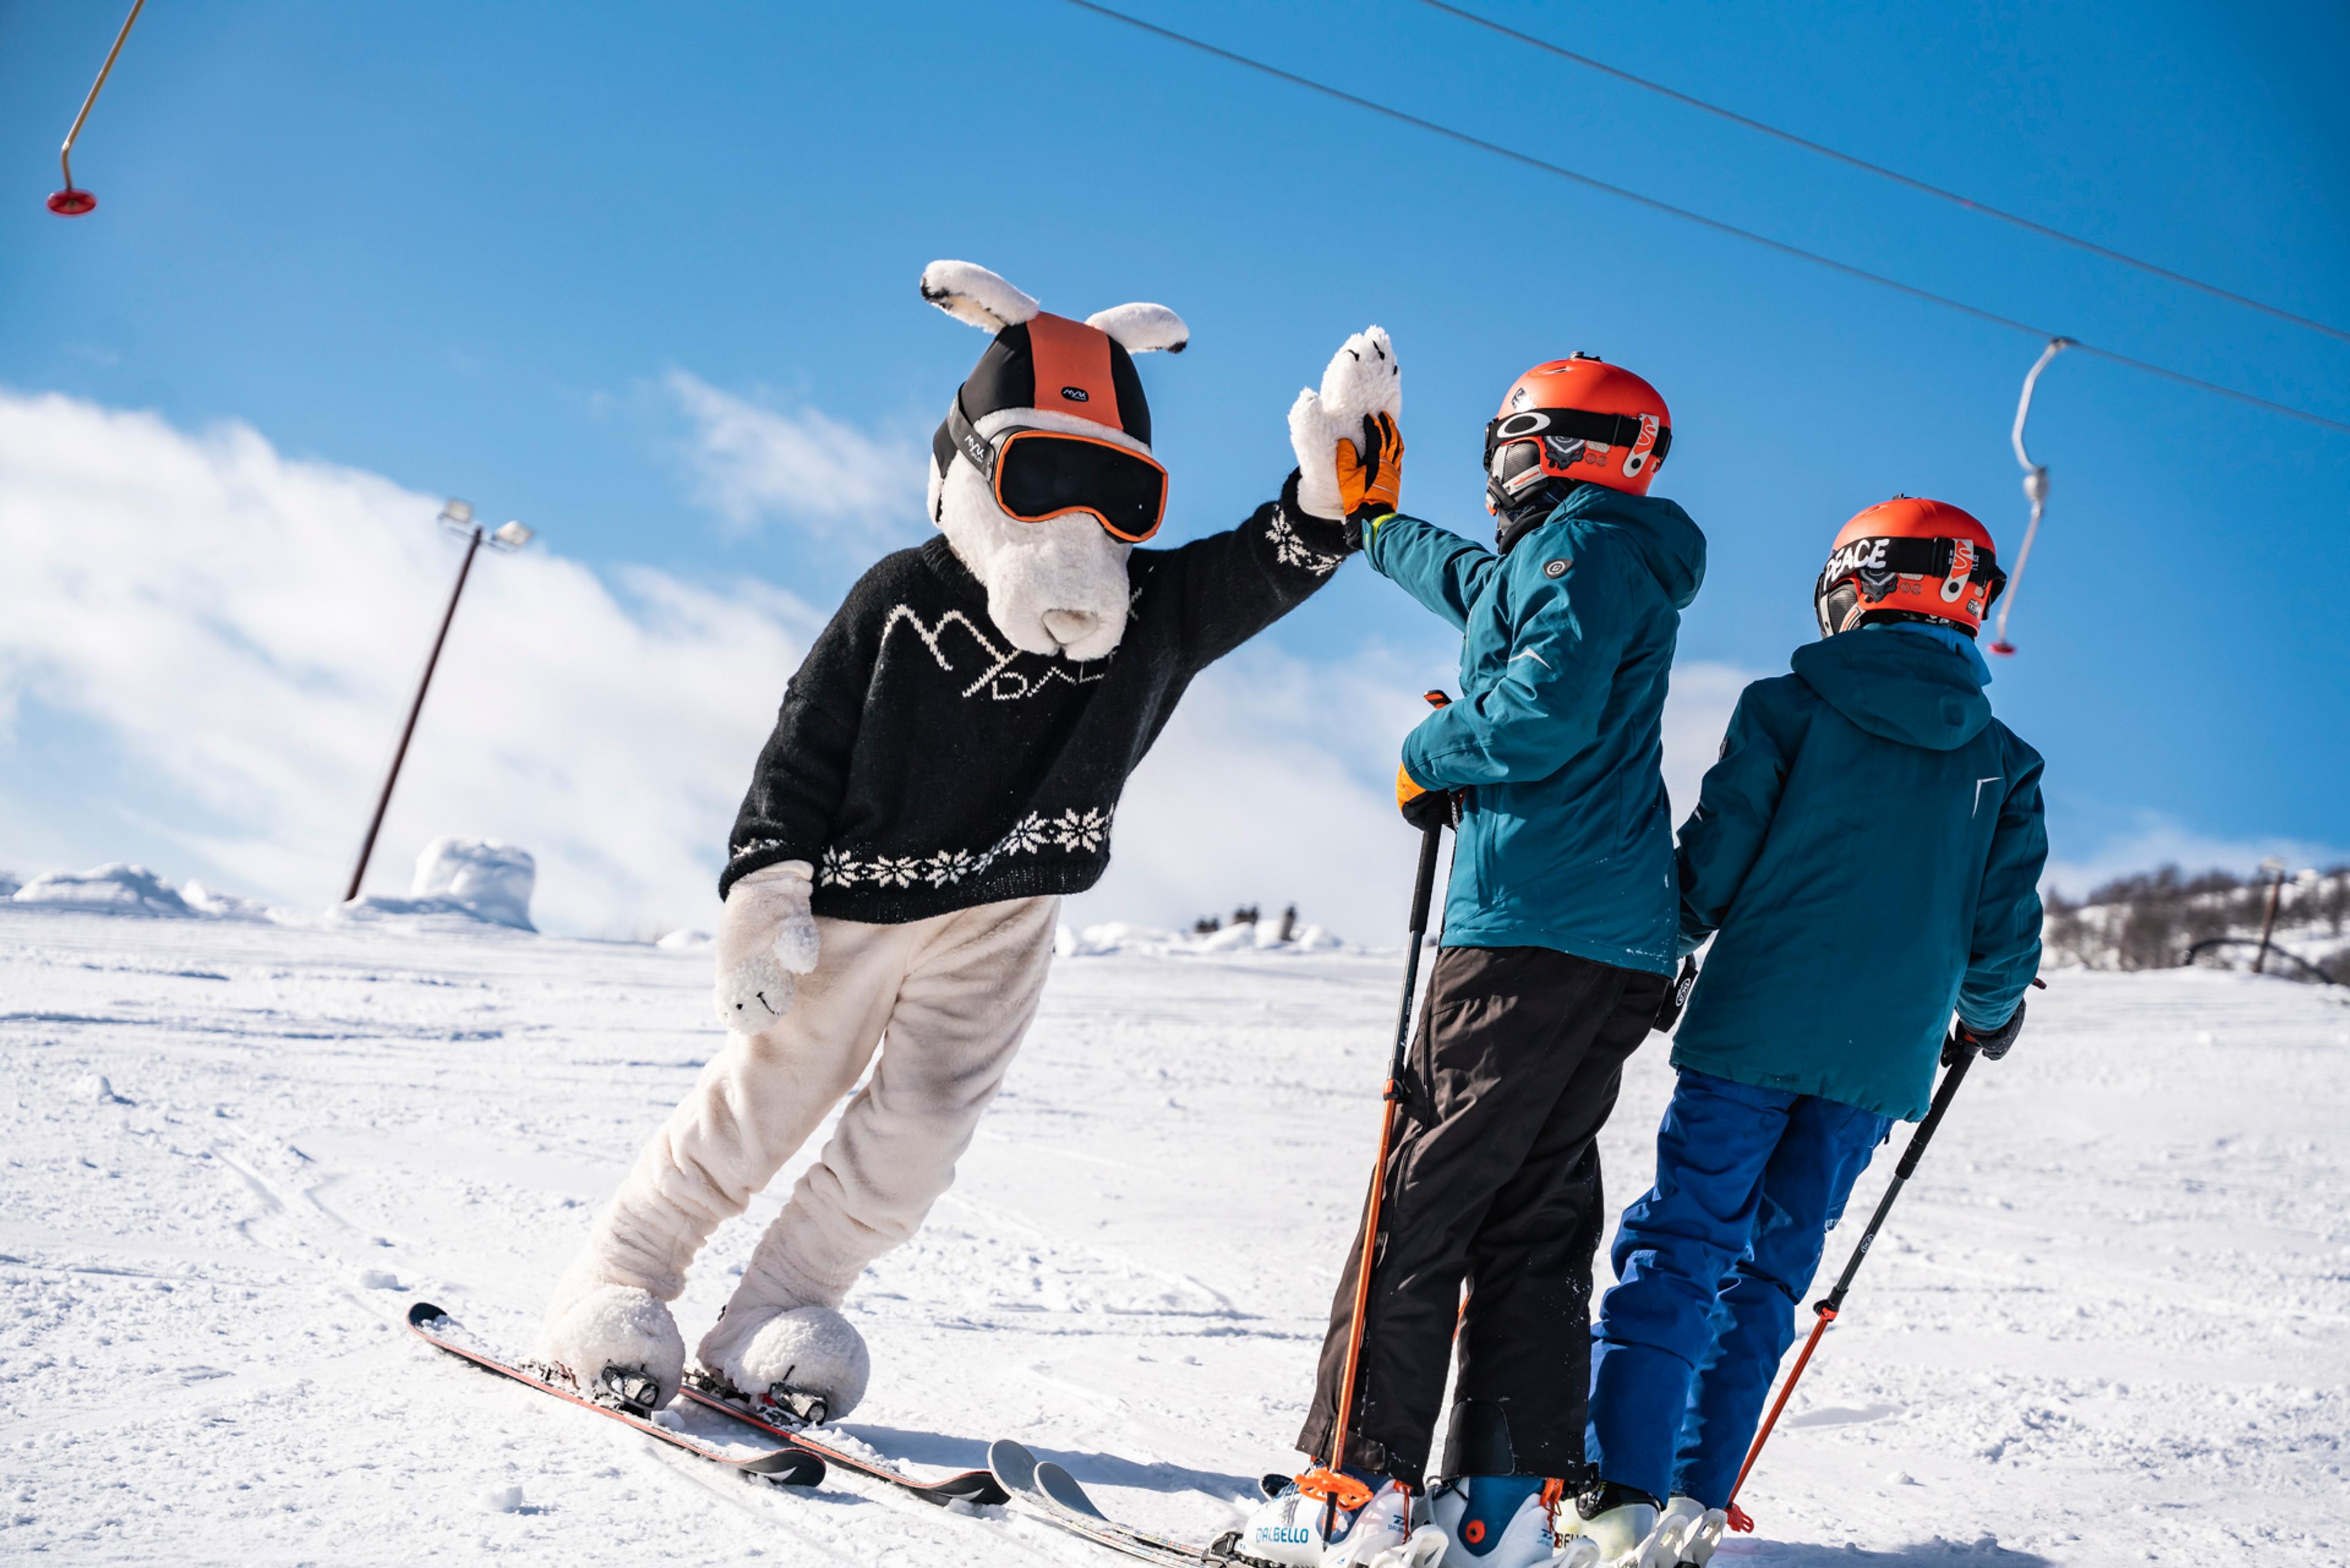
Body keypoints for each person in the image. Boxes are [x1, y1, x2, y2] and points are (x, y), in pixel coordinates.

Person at [532, 261, 1400, 1427]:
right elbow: (806, 738)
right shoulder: (900, 597)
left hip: (1007, 915)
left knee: (920, 1136)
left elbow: (1258, 566)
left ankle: (771, 1316)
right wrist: (764, 881)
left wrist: (1327, 499)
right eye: (1043, 478)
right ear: (971, 471)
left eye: (1122, 497)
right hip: (855, 907)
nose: (1082, 531)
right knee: (764, 1103)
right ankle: (618, 1282)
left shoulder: (1149, 617)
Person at [1240, 356, 1706, 1568]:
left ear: (1558, 447)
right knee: (1532, 1208)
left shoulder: (1578, 551)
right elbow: (1480, 587)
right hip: (1606, 942)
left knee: (1424, 1192)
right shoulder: (1603, 554)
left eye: (1510, 441)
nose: (1493, 463)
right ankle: (1502, 1502)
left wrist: (1432, 747)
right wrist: (1378, 527)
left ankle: (1354, 1486)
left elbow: (1538, 713)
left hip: (1527, 928)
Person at [1572, 496, 2048, 1568]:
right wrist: (1989, 1014)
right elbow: (2002, 935)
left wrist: (1668, 937)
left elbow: (1719, 855)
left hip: (1752, 1026)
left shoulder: (1788, 707)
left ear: (1863, 583)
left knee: (1684, 1241)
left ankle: (1617, 1487)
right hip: (1877, 1062)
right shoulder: (2005, 762)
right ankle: (1699, 1493)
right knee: (1771, 1269)